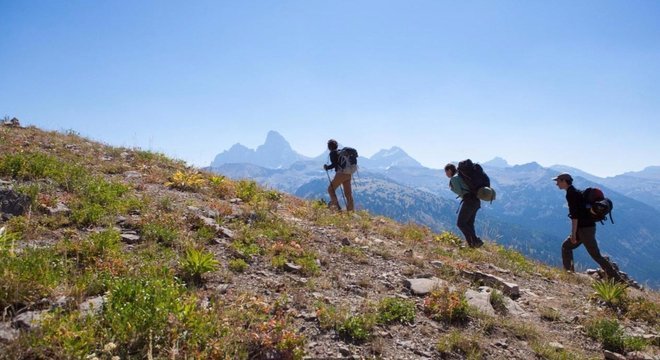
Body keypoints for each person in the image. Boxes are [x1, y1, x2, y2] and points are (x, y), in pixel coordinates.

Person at [553, 173, 622, 281]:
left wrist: (574, 234)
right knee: (566, 247)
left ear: (564, 181)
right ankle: (569, 274)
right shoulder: (576, 192)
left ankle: (617, 279)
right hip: (588, 227)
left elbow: (575, 216)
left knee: (596, 255)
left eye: (558, 181)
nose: (556, 184)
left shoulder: (571, 194)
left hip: (584, 229)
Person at [445, 163, 483, 248]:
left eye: (446, 172)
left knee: (461, 223)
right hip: (476, 201)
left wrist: (452, 188)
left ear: (450, 170)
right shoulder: (461, 176)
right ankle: (472, 245)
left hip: (469, 201)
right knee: (469, 223)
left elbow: (460, 191)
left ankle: (475, 241)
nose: (446, 174)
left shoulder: (454, 178)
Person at [323, 139, 354, 211]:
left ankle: (336, 207)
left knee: (330, 189)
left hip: (341, 174)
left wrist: (327, 167)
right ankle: (351, 211)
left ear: (329, 147)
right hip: (348, 174)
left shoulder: (333, 153)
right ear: (336, 146)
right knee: (348, 194)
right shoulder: (341, 152)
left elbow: (334, 164)